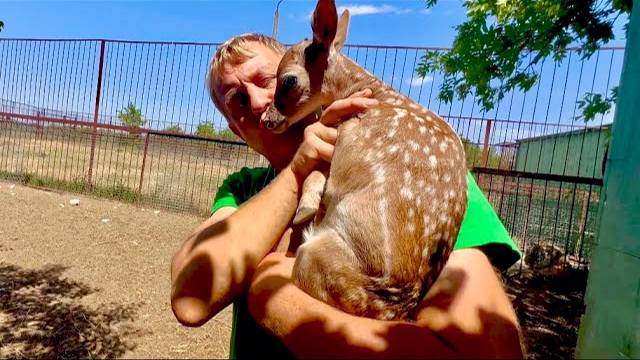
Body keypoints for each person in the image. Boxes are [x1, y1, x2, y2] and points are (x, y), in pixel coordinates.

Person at [170, 33, 524, 359]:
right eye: (239, 102)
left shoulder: (420, 161)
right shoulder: (243, 188)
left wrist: (271, 294)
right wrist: (298, 173)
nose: (261, 101)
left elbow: (489, 352)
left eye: (270, 81)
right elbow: (191, 300)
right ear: (235, 129)